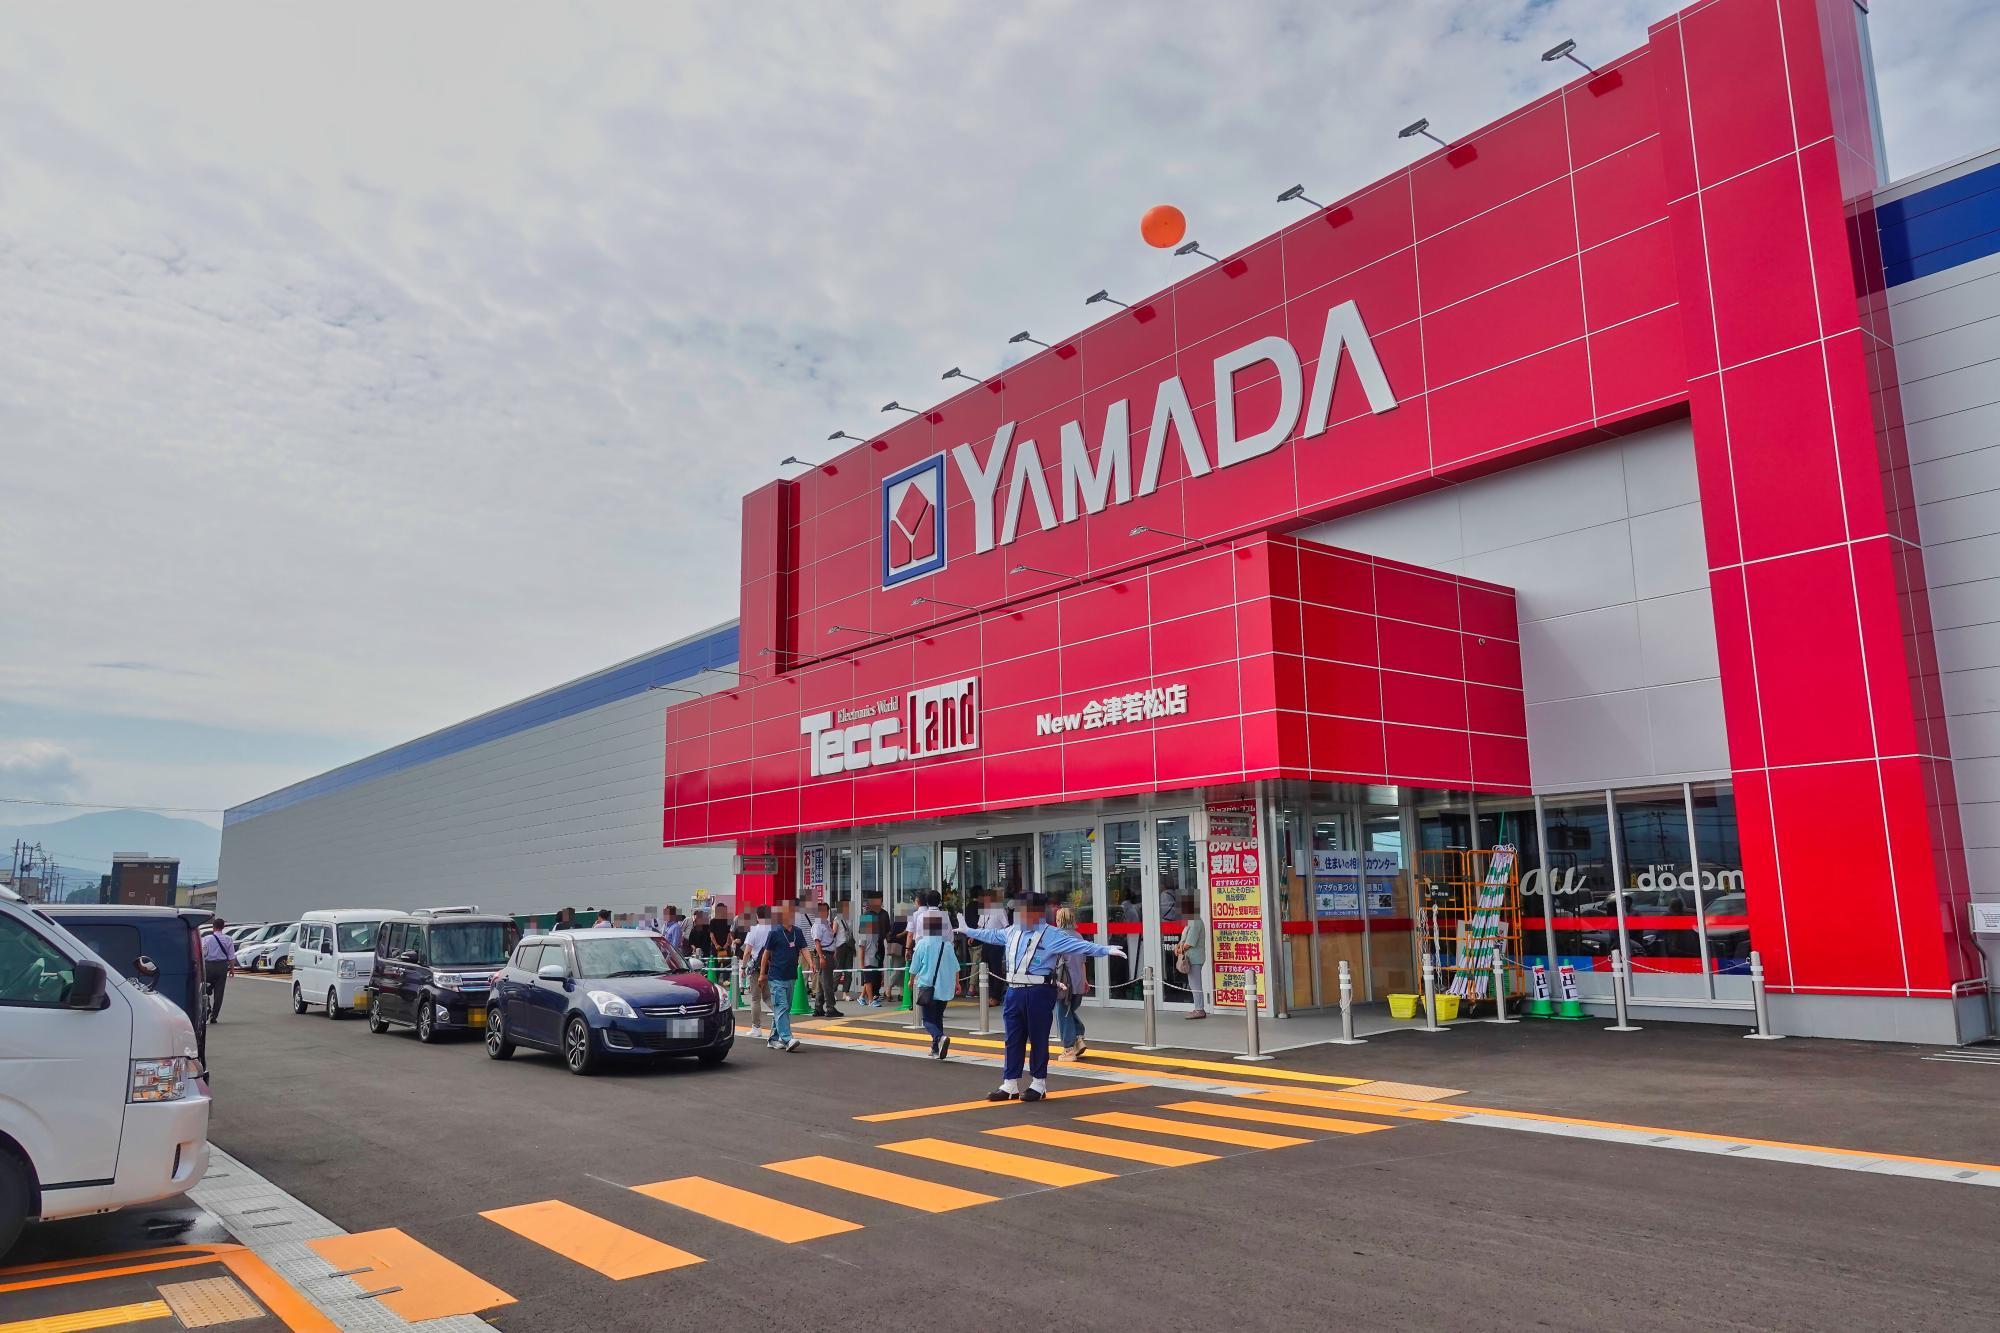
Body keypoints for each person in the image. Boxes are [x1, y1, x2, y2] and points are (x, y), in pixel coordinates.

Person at [957, 892, 1123, 1101]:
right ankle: (1010, 1083)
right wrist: (968, 930)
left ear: (1036, 913)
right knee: (1012, 1038)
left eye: (1022, 911)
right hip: (1014, 991)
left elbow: (1079, 946)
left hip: (1039, 991)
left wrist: (1105, 950)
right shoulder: (1012, 931)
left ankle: (1038, 1083)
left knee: (1038, 1037)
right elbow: (991, 935)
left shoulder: (1051, 934)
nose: (1018, 916)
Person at [755, 901, 808, 1052]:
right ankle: (787, 1039)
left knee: (783, 1008)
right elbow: (766, 954)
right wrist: (762, 974)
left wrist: (811, 963)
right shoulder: (774, 932)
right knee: (782, 1006)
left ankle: (773, 1039)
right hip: (776, 976)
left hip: (791, 975)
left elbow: (804, 948)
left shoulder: (797, 932)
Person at [908, 914, 960, 1059]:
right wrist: (957, 983)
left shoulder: (922, 944)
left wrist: (911, 981)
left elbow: (914, 966)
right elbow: (956, 967)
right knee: (938, 1018)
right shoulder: (947, 945)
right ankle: (936, 1049)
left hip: (928, 987)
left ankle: (939, 1037)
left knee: (927, 1021)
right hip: (944, 988)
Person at [1053, 906, 1089, 1059]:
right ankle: (1079, 1037)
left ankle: (1069, 1049)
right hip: (1078, 981)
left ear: (1059, 920)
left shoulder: (1057, 936)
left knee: (1063, 1013)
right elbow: (1082, 962)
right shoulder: (1078, 936)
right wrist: (1085, 980)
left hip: (1064, 982)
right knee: (1069, 1011)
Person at [805, 901, 845, 1018]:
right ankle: (830, 1007)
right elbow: (817, 942)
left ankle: (818, 1007)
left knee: (822, 983)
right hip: (823, 955)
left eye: (825, 911)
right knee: (827, 982)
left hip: (828, 954)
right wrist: (822, 957)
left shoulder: (826, 924)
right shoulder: (818, 925)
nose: (823, 913)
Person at [975, 890, 1009, 1005]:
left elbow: (1006, 926)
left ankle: (996, 997)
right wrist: (973, 936)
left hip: (996, 944)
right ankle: (987, 995)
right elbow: (980, 926)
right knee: (985, 969)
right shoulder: (984, 911)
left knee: (996, 970)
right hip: (986, 943)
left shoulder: (1000, 910)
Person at [201, 918, 239, 1021]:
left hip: (208, 965)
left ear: (213, 927)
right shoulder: (228, 939)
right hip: (222, 966)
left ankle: (207, 1007)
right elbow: (231, 956)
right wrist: (232, 969)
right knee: (219, 992)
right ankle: (214, 1016)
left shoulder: (206, 938)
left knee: (204, 989)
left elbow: (203, 953)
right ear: (223, 927)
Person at [1174, 910, 1209, 1019]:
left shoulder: (1195, 921)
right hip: (1191, 958)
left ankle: (1199, 1010)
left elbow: (1189, 943)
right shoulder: (1190, 921)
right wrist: (1178, 946)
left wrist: (1179, 950)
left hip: (1195, 959)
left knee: (1195, 984)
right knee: (1193, 984)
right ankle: (1198, 1008)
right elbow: (1184, 939)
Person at [855, 894, 886, 1006]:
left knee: (870, 979)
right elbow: (861, 948)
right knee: (868, 980)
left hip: (874, 958)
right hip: (867, 960)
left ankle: (861, 997)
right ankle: (870, 1000)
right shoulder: (864, 933)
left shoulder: (875, 934)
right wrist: (862, 964)